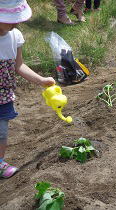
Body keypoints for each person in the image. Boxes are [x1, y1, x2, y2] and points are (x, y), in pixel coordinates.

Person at [0, 0, 55, 178]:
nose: (16, 22)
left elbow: (19, 65)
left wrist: (41, 80)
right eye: (10, 19)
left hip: (3, 94)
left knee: (2, 131)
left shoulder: (15, 36)